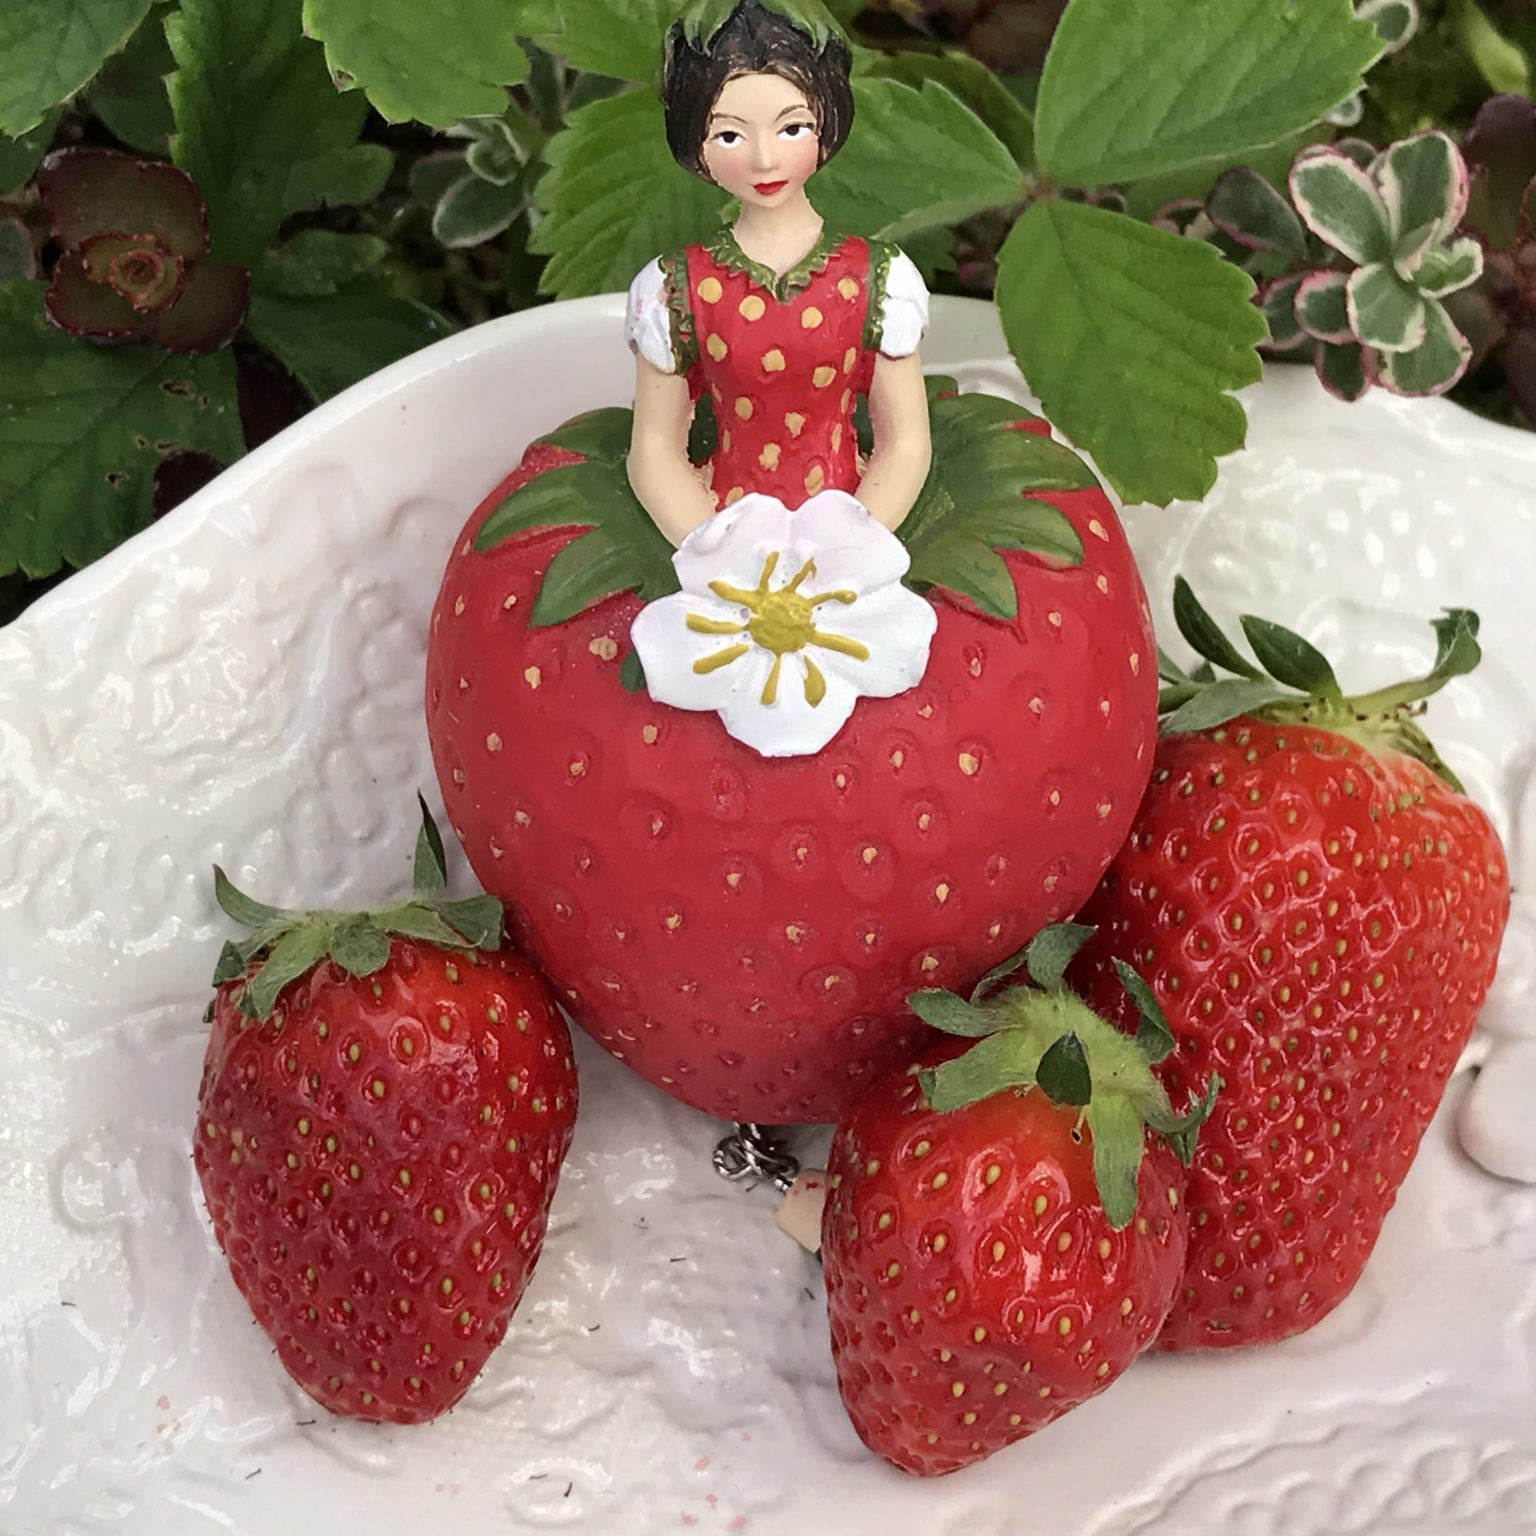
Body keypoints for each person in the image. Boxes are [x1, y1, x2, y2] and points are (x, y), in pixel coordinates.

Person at [625, 0, 933, 549]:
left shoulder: (880, 280)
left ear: (826, 124)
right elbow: (654, 450)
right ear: (694, 144)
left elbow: (905, 444)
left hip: (854, 528)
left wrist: (850, 547)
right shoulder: (675, 289)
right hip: (720, 532)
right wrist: (718, 552)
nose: (765, 160)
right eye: (729, 136)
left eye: (792, 128)